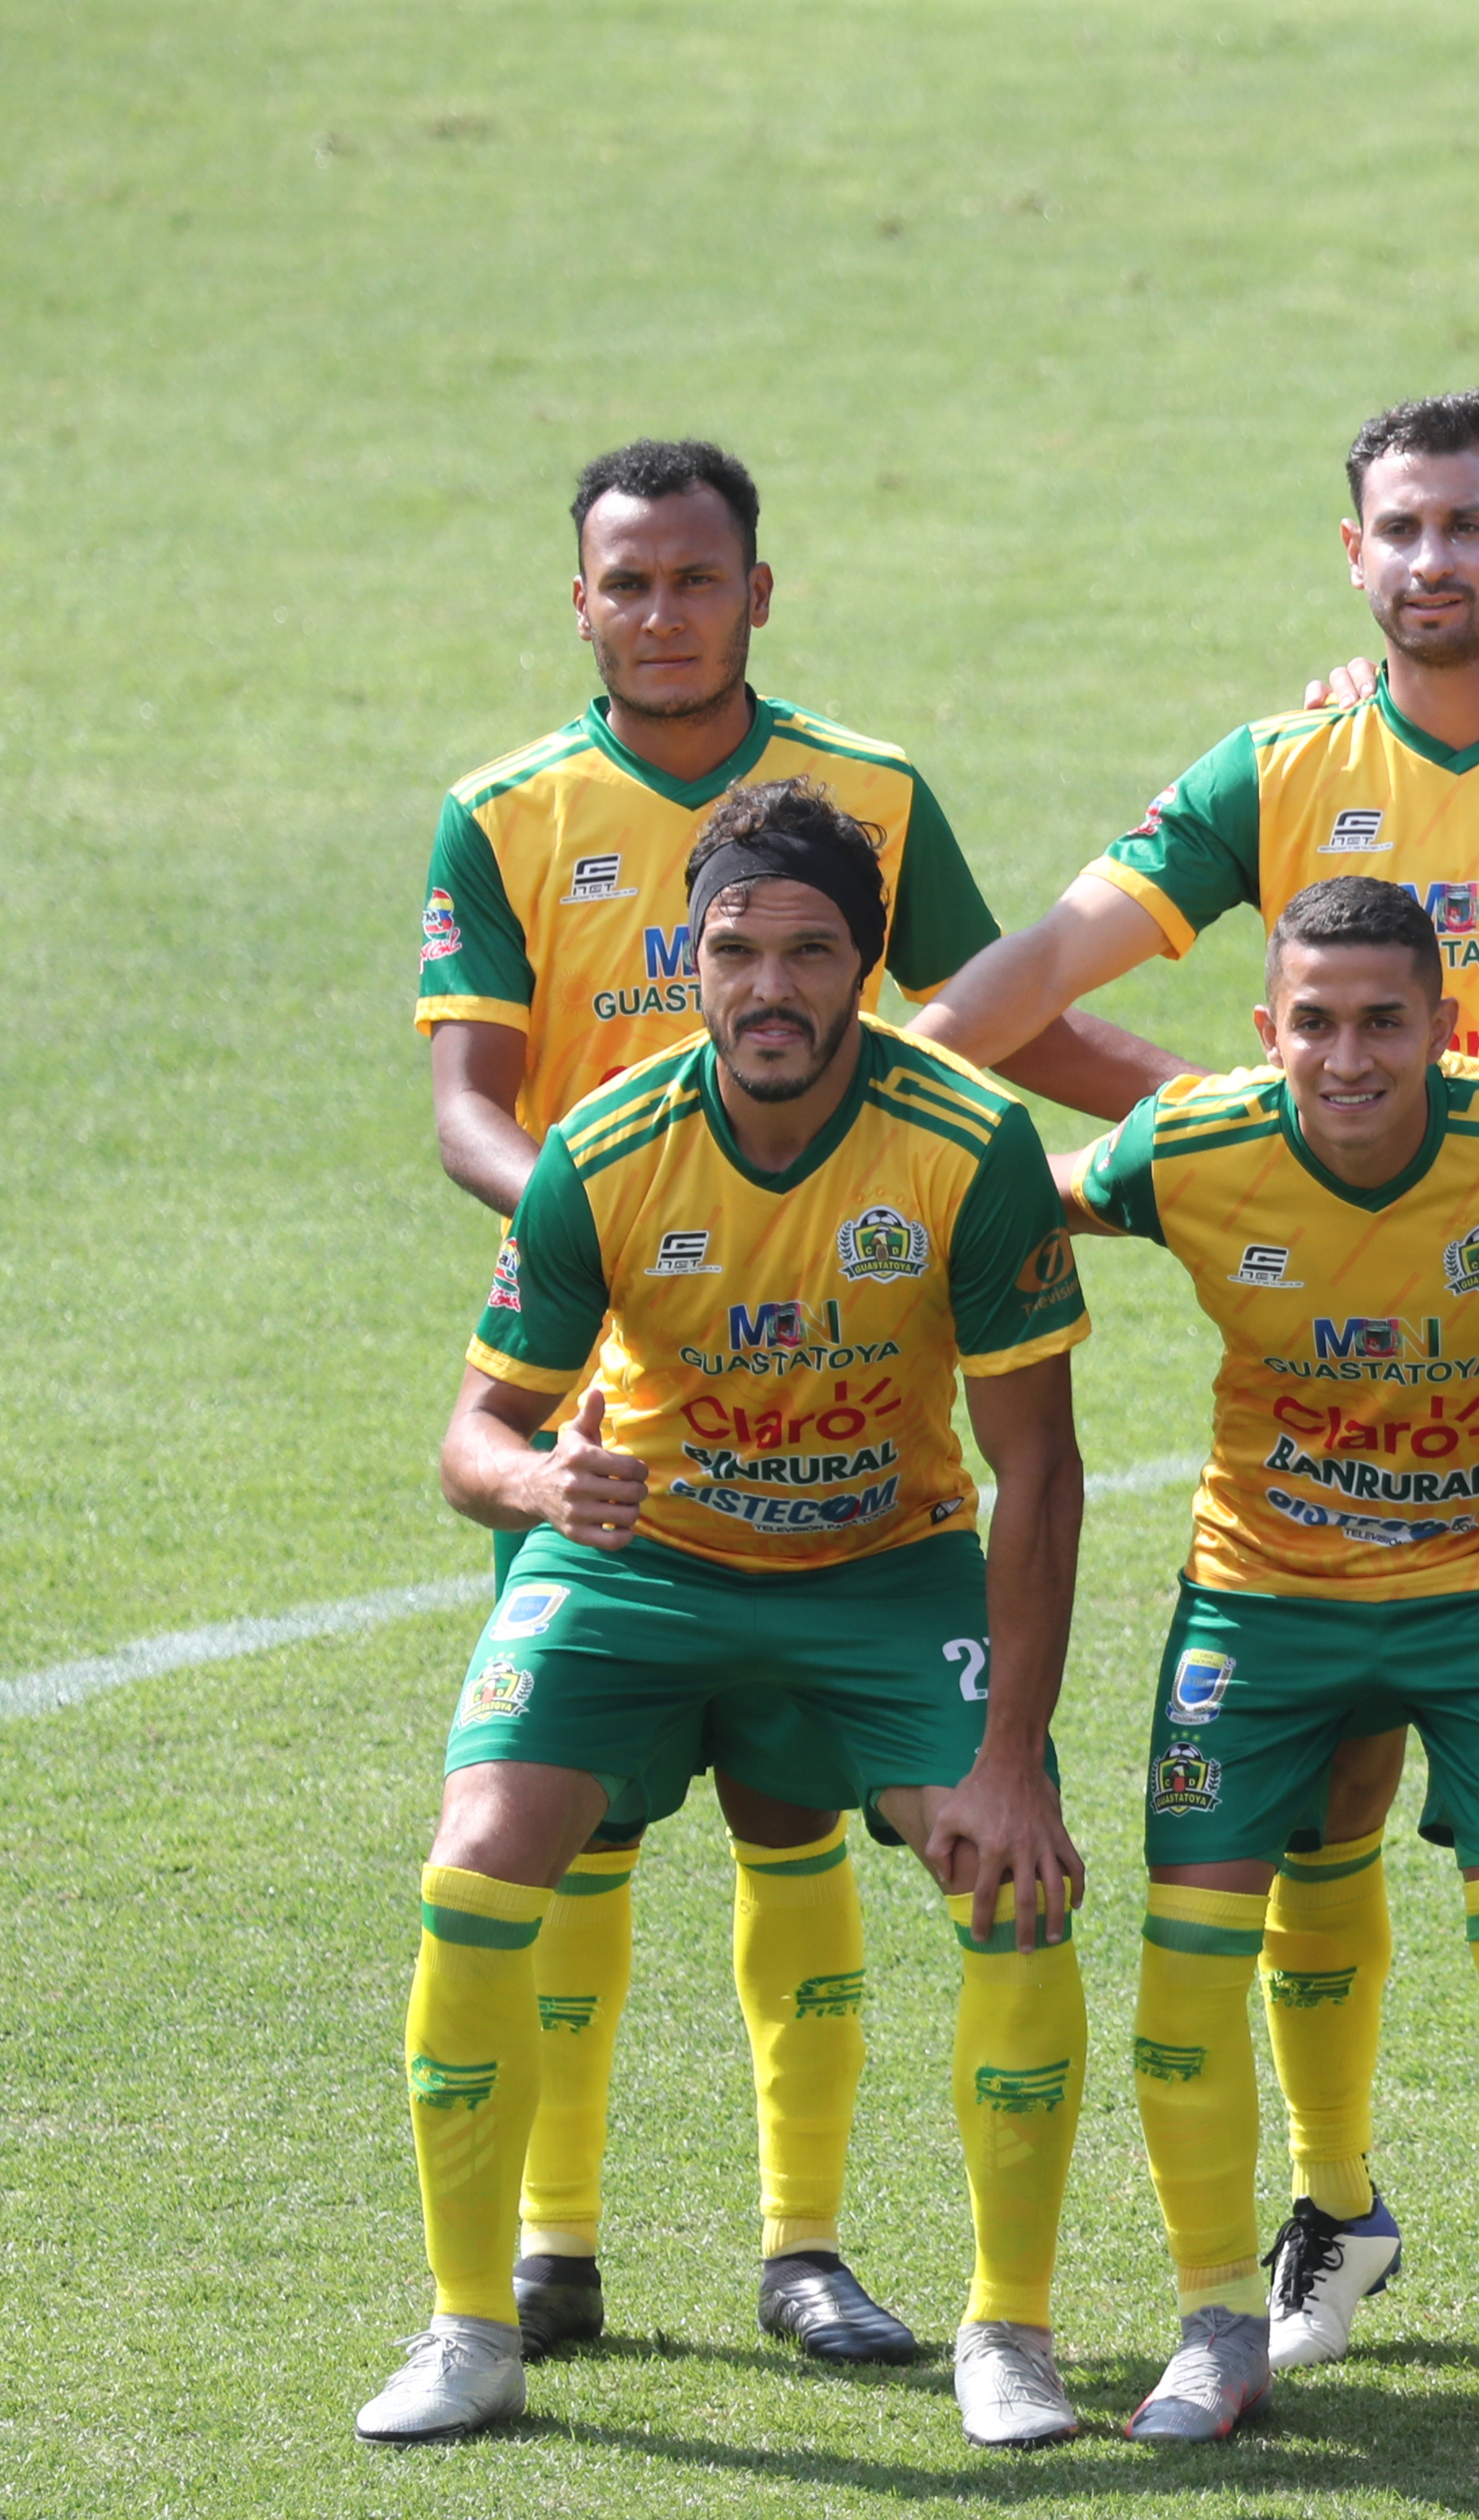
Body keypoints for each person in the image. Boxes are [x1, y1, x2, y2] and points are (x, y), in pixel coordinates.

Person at [911, 393, 1479, 2382]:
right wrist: (1170, 1125)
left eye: (1470, 526)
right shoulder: (1278, 768)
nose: (1435, 561)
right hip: (1338, 1398)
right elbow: (1029, 980)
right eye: (1401, 529)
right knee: (1322, 1787)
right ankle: (1337, 2204)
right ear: (1354, 555)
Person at [410, 437, 1173, 2371]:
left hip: (855, 1384)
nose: (661, 612)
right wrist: (651, 1216)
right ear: (575, 601)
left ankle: (804, 2248)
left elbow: (1021, 1026)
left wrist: (1237, 1133)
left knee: (784, 1822)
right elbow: (468, 1113)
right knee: (556, 1841)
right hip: (621, 1391)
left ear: (763, 590)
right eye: (625, 583)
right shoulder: (502, 817)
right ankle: (550, 2255)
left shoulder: (877, 801)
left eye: (696, 579)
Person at [362, 780, 1094, 2449]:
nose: (771, 986)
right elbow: (469, 1440)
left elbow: (1038, 1472)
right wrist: (547, 1488)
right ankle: (473, 2327)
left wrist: (1014, 1757)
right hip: (640, 1568)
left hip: (880, 1570)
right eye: (737, 949)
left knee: (1016, 1878)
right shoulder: (605, 1153)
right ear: (688, 957)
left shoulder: (967, 1143)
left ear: (866, 968)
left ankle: (1014, 2333)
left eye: (813, 952)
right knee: (478, 1861)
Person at [1050, 876, 1479, 2449]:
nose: (1347, 1058)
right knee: (1182, 1973)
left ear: (1444, 1027)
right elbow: (1008, 1205)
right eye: (1314, 1024)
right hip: (1263, 1602)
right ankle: (1220, 2324)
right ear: (1262, 1032)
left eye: (1381, 1023)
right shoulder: (1193, 1148)